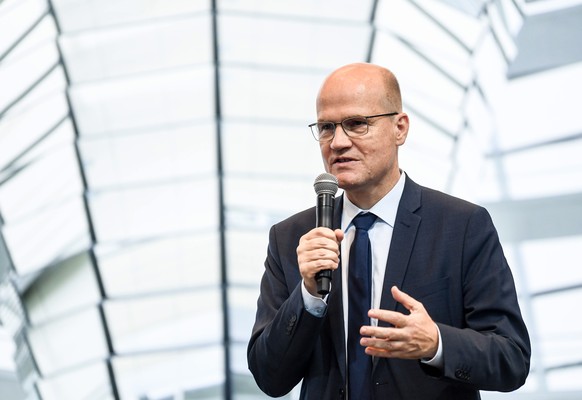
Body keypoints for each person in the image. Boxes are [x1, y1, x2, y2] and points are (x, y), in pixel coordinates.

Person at [247, 63, 531, 400]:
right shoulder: (292, 237)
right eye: (326, 127)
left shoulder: (462, 226)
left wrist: (436, 344)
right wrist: (307, 295)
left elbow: (511, 358)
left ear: (400, 128)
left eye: (356, 124)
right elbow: (269, 376)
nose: (337, 142)